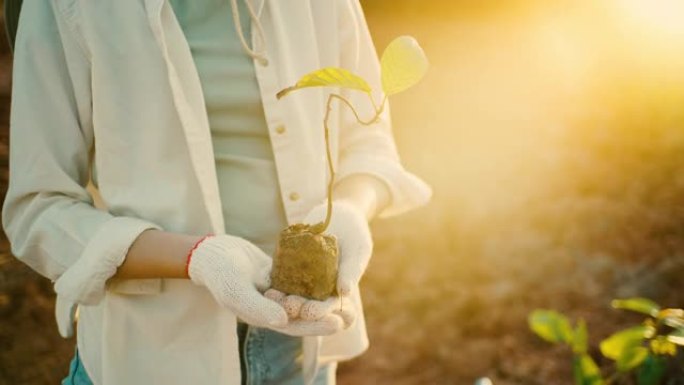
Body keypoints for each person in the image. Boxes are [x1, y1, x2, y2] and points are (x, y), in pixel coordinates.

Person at [1, 0, 433, 384]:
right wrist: (197, 258)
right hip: (155, 357)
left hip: (300, 346)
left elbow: (367, 139)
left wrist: (352, 210)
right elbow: (38, 208)